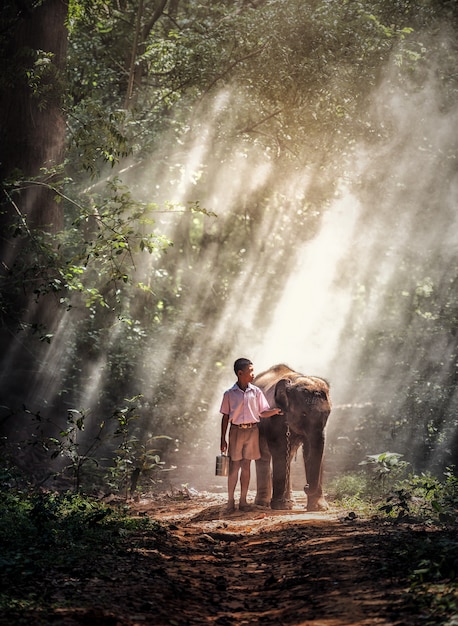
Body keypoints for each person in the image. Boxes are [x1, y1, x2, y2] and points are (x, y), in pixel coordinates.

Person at [219, 357, 282, 512]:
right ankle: (230, 501)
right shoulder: (229, 394)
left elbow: (262, 412)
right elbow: (225, 417)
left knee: (246, 465)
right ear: (240, 373)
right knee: (234, 467)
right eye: (250, 371)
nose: (253, 375)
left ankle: (243, 501)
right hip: (236, 431)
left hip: (252, 431)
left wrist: (275, 411)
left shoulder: (256, 392)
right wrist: (223, 438)